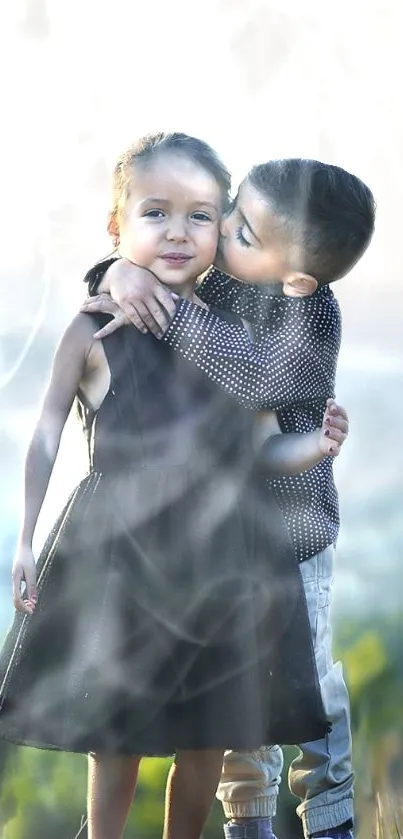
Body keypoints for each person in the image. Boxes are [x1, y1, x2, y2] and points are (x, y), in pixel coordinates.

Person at [0, 134, 346, 839]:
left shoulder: (231, 334)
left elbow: (256, 453)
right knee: (116, 736)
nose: (177, 231)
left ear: (221, 229)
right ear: (116, 225)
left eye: (199, 215)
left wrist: (313, 445)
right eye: (154, 212)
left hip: (225, 558)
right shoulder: (94, 328)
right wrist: (27, 535)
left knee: (207, 736)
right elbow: (45, 434)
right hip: (122, 557)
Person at [81, 156, 375, 839]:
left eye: (242, 231)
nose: (221, 235)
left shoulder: (309, 320)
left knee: (307, 689)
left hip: (293, 539)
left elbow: (257, 377)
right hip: (223, 541)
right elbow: (155, 263)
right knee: (240, 694)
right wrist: (114, 273)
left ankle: (328, 820)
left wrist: (172, 314)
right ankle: (247, 824)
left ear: (296, 275)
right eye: (232, 213)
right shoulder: (225, 280)